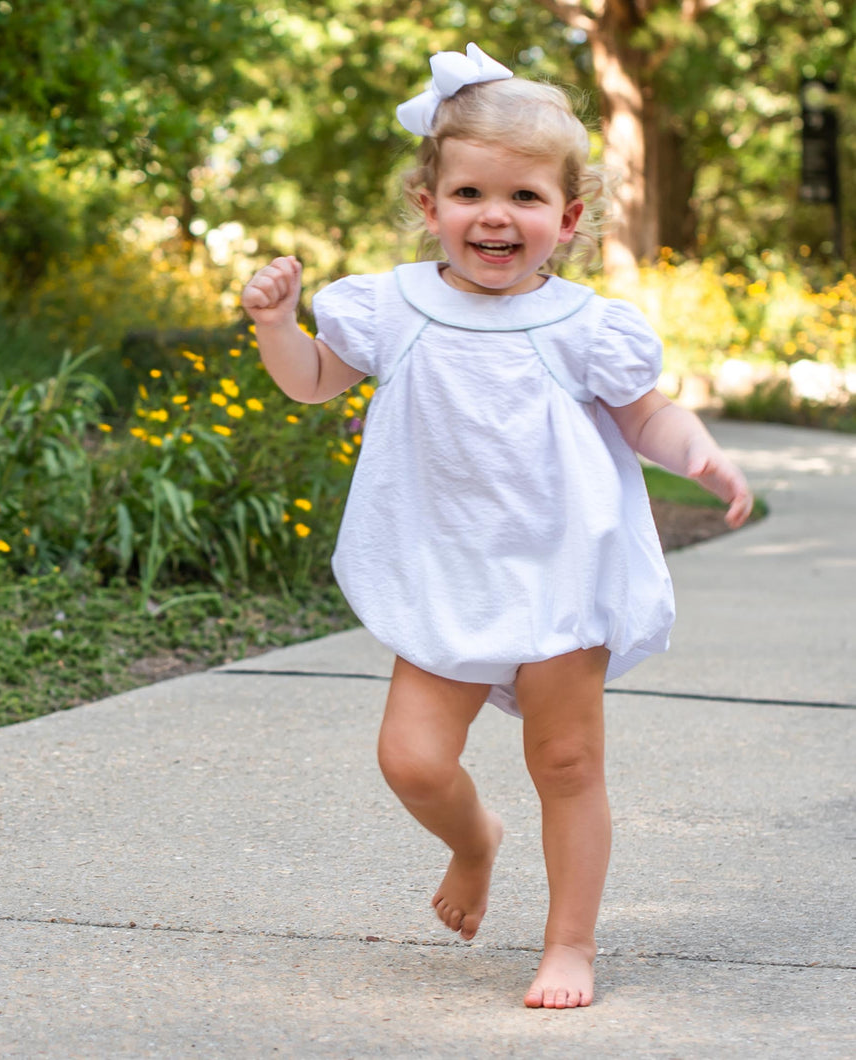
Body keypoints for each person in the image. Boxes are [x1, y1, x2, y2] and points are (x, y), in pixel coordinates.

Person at [241, 43, 753, 1010]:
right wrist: (277, 328)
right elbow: (314, 382)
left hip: (563, 573)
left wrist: (699, 455)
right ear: (430, 206)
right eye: (470, 191)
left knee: (566, 763)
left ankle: (569, 944)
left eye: (523, 197)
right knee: (413, 761)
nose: (495, 215)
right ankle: (474, 840)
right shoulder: (391, 308)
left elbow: (647, 414)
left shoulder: (582, 326)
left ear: (565, 219)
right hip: (448, 573)